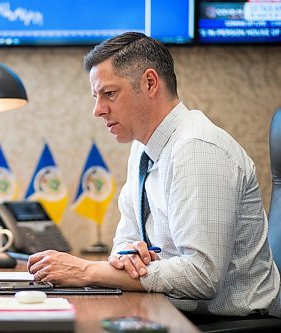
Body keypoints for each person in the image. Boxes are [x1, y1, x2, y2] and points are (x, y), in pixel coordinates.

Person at [27, 32, 280, 318]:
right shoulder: (142, 148)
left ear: (149, 83)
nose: (98, 110)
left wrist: (86, 270)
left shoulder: (197, 150)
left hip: (232, 323)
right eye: (95, 96)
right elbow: (123, 243)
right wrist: (129, 257)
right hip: (175, 312)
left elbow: (202, 277)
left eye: (109, 94)